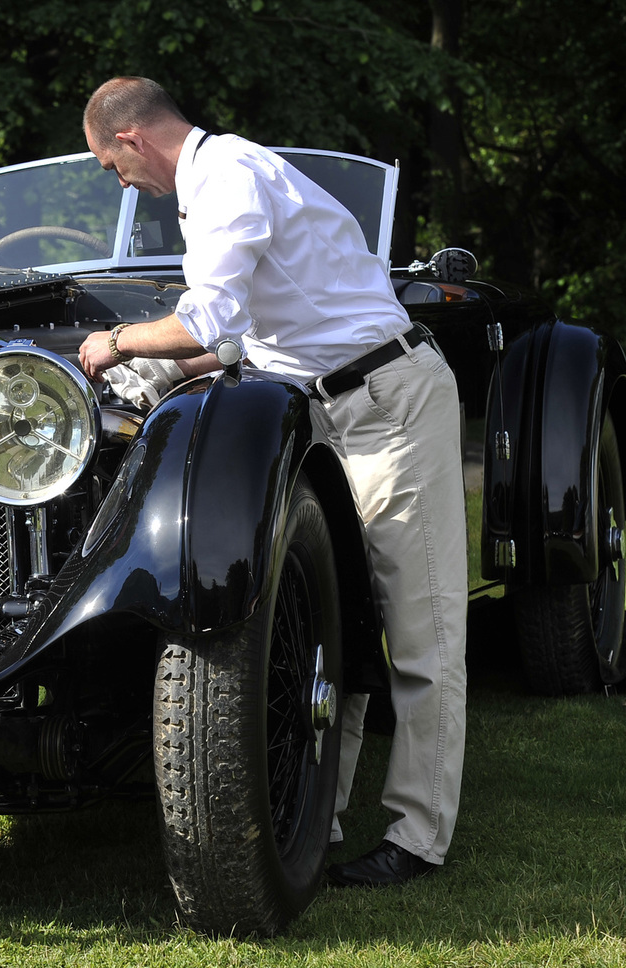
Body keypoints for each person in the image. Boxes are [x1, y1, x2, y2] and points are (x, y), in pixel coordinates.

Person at [77, 76, 467, 888]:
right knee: (343, 626)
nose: (122, 185)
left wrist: (115, 341)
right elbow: (227, 345)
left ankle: (419, 840)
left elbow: (207, 325)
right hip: (330, 408)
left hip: (387, 401)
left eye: (112, 168)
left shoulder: (227, 179)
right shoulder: (215, 185)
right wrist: (129, 386)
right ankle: (316, 821)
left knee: (422, 635)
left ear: (133, 140)